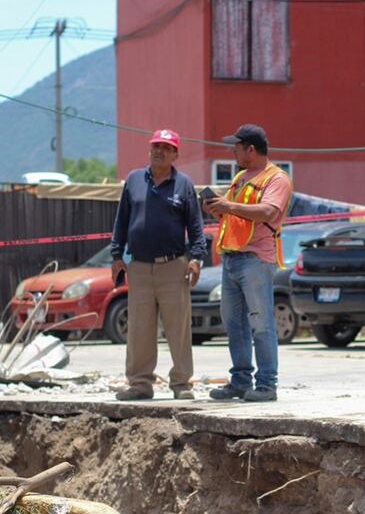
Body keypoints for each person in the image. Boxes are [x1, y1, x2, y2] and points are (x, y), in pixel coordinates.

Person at [110, 129, 207, 401]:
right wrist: (117, 255)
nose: (159, 151)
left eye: (166, 147)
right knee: (139, 328)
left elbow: (196, 229)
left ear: (175, 153)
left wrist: (196, 260)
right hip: (139, 267)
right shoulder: (133, 180)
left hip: (173, 266)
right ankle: (140, 384)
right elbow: (122, 222)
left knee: (178, 328)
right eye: (155, 146)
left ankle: (181, 384)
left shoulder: (184, 184)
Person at [202, 124, 293, 403]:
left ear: (250, 150)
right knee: (235, 324)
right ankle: (241, 381)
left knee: (261, 323)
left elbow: (268, 211)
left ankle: (266, 384)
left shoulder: (277, 179)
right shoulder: (241, 176)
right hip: (232, 258)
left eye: (236, 147)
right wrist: (218, 206)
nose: (232, 152)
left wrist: (228, 206)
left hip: (255, 260)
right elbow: (235, 213)